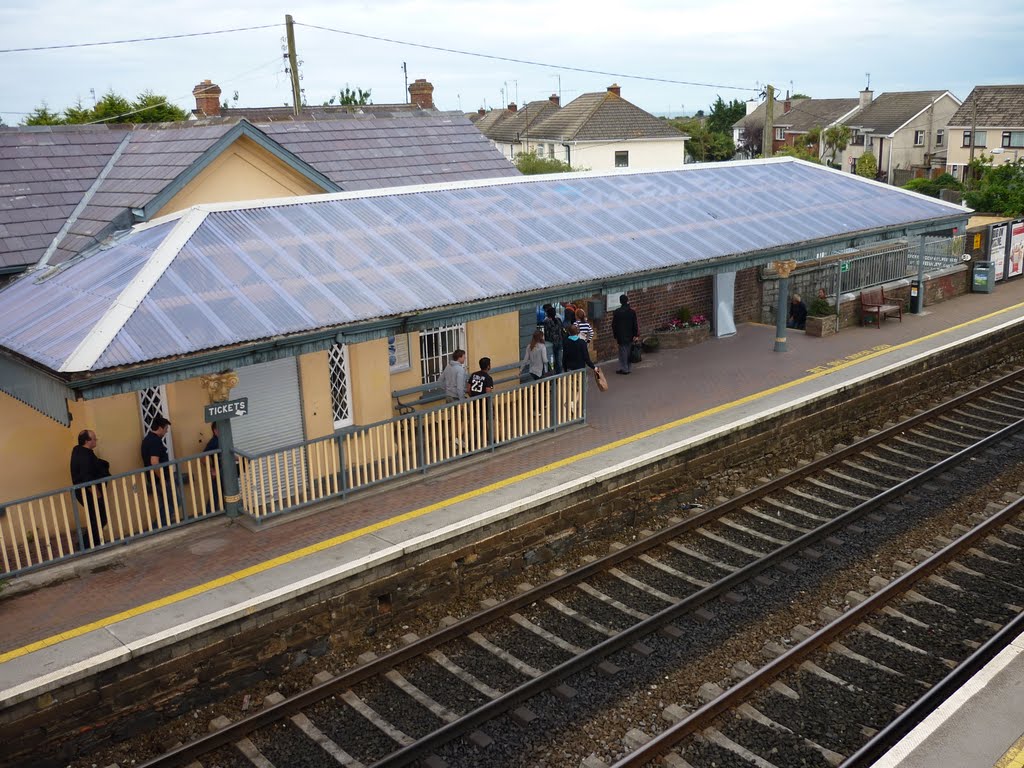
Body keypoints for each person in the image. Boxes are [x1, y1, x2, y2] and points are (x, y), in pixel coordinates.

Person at [70, 429, 110, 548]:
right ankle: (86, 544)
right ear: (87, 441)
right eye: (94, 438)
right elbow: (87, 479)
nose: (96, 440)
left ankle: (93, 543)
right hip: (88, 492)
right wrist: (98, 496)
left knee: (96, 517)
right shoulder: (84, 456)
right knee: (100, 517)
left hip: (83, 492)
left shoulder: (79, 451)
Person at [141, 415, 176, 527]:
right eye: (166, 429)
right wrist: (163, 479)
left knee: (165, 503)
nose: (166, 432)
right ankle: (158, 525)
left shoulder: (147, 440)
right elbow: (154, 462)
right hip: (160, 479)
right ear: (160, 428)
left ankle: (159, 525)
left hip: (153, 479)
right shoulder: (155, 441)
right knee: (174, 501)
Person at [612, 294, 640, 375]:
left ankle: (624, 368)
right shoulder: (632, 312)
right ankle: (628, 367)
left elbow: (614, 325)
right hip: (630, 334)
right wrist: (636, 335)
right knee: (629, 350)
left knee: (623, 352)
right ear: (627, 301)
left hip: (621, 335)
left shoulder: (617, 312)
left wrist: (615, 335)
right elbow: (635, 324)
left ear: (620, 301)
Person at [204, 423, 222, 512]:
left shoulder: (221, 440)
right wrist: (212, 470)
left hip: (223, 471)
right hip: (219, 471)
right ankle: (209, 513)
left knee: (220, 492)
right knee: (215, 494)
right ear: (215, 430)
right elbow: (203, 457)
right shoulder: (214, 442)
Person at [543, 304, 565, 374]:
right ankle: (559, 373)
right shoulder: (558, 320)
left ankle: (552, 374)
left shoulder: (547, 322)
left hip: (551, 342)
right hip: (559, 341)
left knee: (550, 360)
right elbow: (561, 329)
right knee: (558, 359)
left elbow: (546, 332)